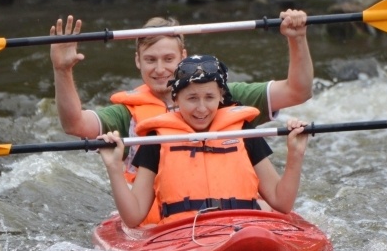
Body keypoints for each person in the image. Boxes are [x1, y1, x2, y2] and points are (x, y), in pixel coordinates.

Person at [50, 9, 312, 224]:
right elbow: (74, 124)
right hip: (163, 226)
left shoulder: (223, 95)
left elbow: (297, 91)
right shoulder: (127, 115)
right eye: (151, 60)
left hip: (234, 218)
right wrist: (62, 70)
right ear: (138, 61)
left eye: (168, 59)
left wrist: (296, 38)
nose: (161, 69)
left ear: (183, 57)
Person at [97, 55, 310, 228]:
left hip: (244, 228)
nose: (201, 108)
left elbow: (281, 202)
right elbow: (134, 217)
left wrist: (295, 155)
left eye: (209, 97)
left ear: (221, 97)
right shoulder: (157, 139)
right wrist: (114, 168)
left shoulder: (243, 131)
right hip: (183, 236)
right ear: (176, 99)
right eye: (191, 98)